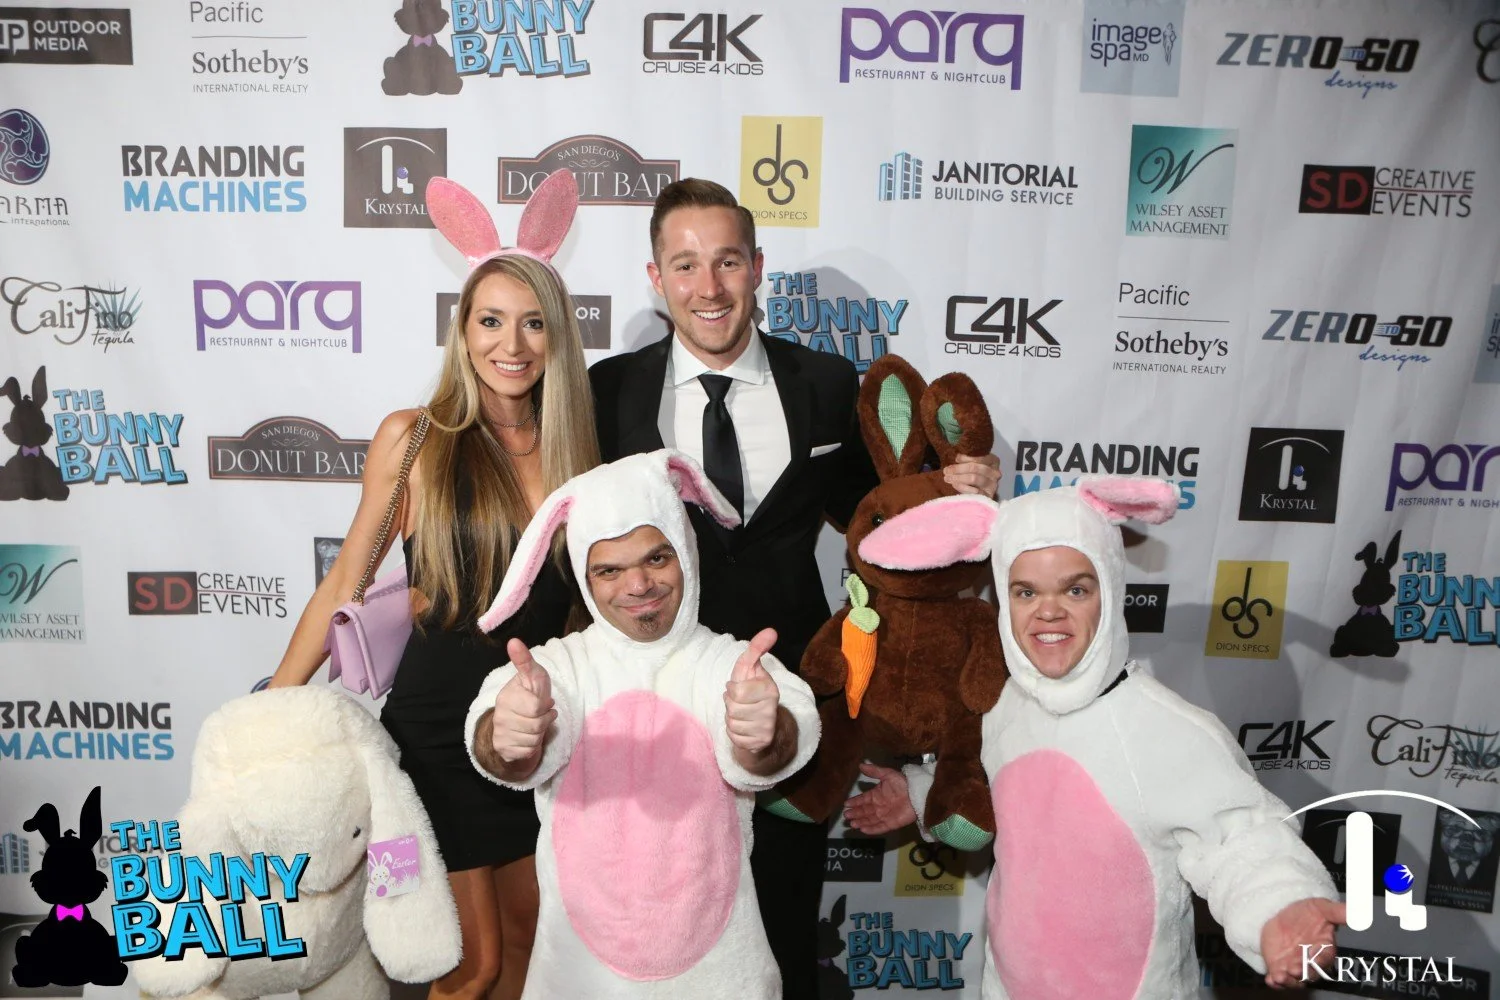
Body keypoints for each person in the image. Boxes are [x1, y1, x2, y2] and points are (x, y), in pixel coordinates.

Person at [587, 177, 1001, 998]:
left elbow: (874, 518)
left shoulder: (825, 382)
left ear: (757, 267)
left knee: (782, 926)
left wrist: (957, 490)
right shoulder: (608, 391)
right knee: (658, 927)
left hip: (794, 697)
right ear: (656, 278)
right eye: (685, 265)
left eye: (728, 261)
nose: (709, 287)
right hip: (658, 696)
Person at [269, 170, 599, 1000]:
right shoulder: (414, 440)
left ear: (558, 335)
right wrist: (274, 708)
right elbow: (345, 582)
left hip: (534, 739)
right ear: (463, 330)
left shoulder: (582, 455)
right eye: (490, 320)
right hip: (434, 740)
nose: (511, 344)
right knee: (464, 964)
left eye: (533, 322)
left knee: (527, 949)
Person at [856, 476, 1347, 995]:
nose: (1048, 611)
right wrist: (920, 792)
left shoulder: (1164, 728)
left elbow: (1242, 841)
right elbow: (982, 779)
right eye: (1026, 591)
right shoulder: (1002, 707)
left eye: (1075, 589)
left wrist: (1281, 904)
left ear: (1108, 591)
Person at [463, 449, 820, 998]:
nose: (638, 585)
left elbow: (776, 739)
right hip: (579, 980)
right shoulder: (560, 667)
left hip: (720, 977)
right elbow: (503, 738)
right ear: (585, 577)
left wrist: (762, 733)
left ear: (686, 552)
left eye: (656, 559)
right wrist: (509, 734)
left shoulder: (734, 664)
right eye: (609, 569)